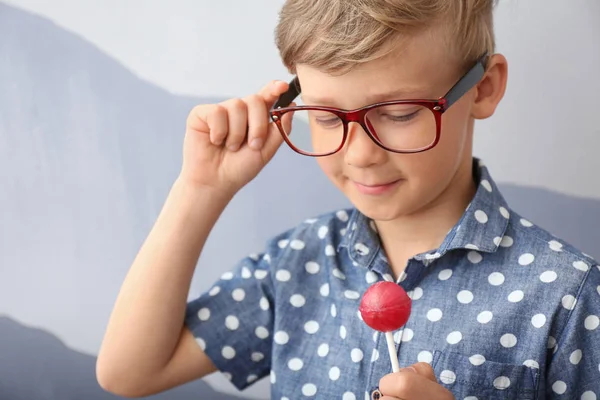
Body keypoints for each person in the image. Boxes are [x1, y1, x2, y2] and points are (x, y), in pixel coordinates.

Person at [96, 1, 600, 399]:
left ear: (483, 88)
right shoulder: (298, 264)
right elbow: (131, 371)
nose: (359, 156)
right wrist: (200, 190)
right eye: (326, 116)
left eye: (400, 114)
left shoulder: (565, 293)